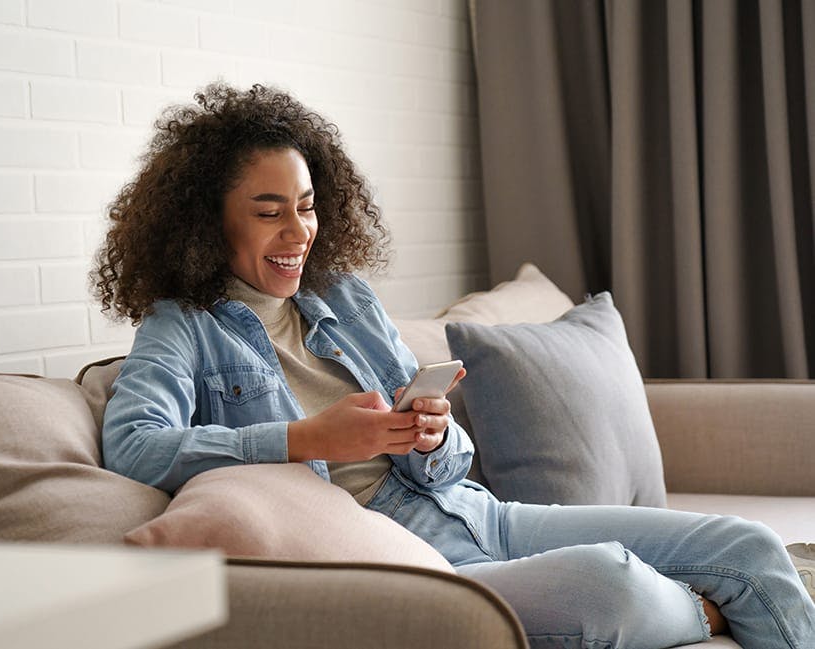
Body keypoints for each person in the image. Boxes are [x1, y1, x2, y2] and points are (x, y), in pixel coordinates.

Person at [94, 83, 815, 649]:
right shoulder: (181, 327)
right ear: (207, 218)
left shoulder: (342, 297)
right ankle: (701, 612)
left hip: (482, 516)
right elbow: (134, 445)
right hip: (412, 562)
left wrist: (434, 434)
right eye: (268, 210)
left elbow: (450, 462)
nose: (298, 232)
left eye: (309, 208)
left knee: (744, 543)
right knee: (609, 587)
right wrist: (306, 439)